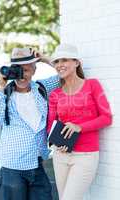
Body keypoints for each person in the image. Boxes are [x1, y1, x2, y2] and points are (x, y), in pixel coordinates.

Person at [0, 47, 60, 200]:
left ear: (34, 70)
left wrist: (44, 59)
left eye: (26, 70)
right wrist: (0, 86)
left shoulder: (42, 88)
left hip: (37, 163)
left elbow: (66, 75)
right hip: (12, 168)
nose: (21, 76)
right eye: (17, 70)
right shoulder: (3, 93)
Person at [47, 43, 112, 200]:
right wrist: (56, 142)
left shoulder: (92, 85)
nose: (60, 65)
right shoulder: (55, 94)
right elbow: (51, 125)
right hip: (61, 155)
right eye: (56, 61)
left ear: (76, 62)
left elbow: (106, 118)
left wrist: (79, 127)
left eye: (64, 60)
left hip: (86, 155)